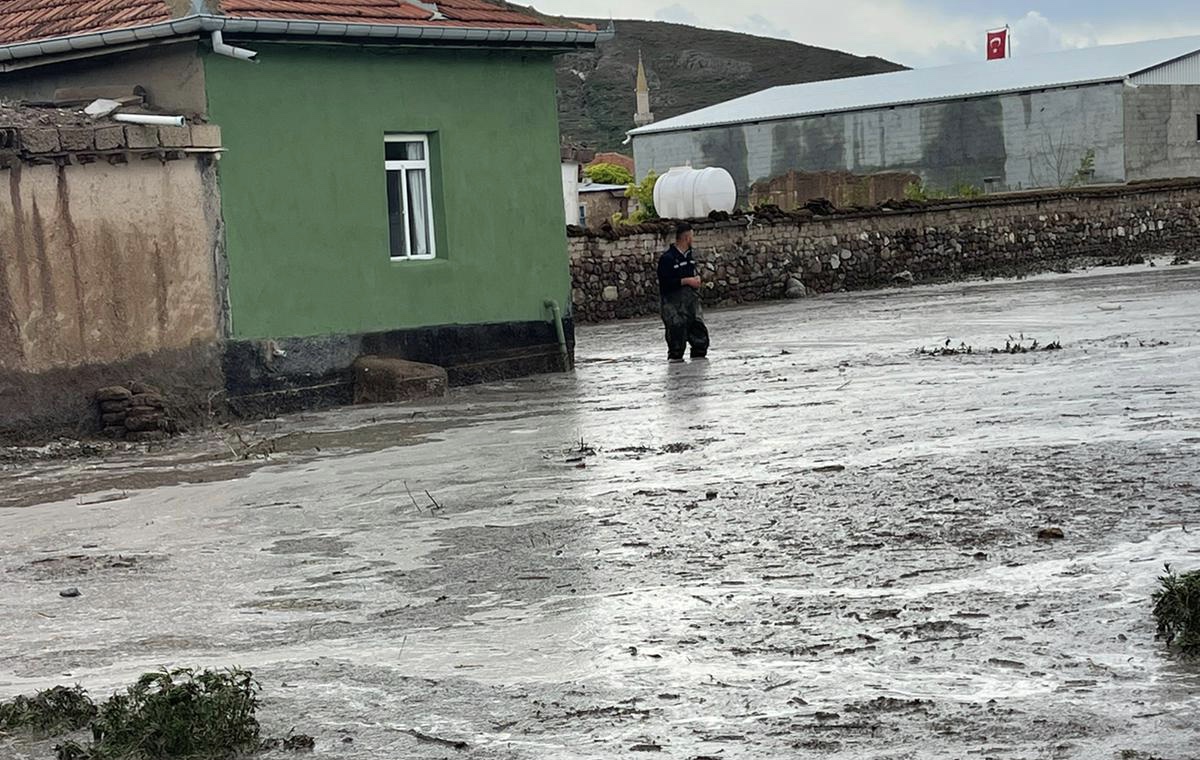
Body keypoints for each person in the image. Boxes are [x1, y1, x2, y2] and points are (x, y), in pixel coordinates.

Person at [657, 222, 710, 362]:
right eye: (691, 237)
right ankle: (676, 370)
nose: (692, 240)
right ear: (686, 238)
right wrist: (686, 281)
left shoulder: (690, 258)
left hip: (691, 303)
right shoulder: (667, 259)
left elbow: (694, 273)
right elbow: (665, 283)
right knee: (676, 338)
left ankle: (698, 368)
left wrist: (696, 280)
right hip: (672, 304)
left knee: (699, 335)